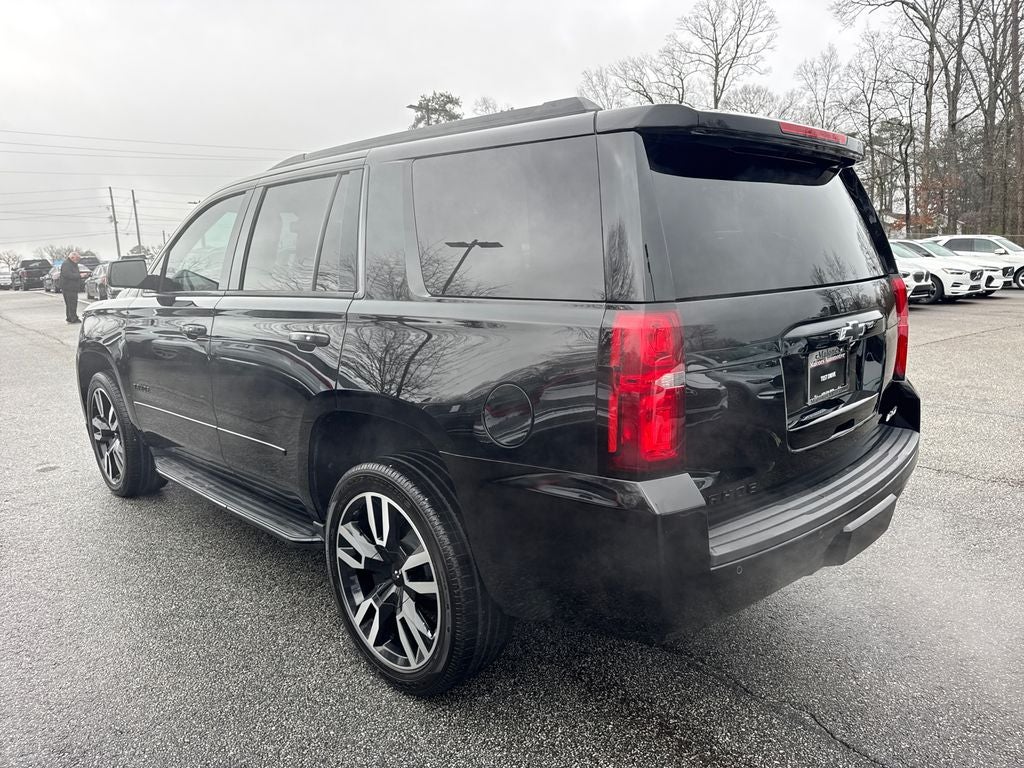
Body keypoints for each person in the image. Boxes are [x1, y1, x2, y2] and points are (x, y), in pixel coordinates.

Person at [60, 251, 82, 323]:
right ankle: (73, 318)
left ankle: (70, 317)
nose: (78, 260)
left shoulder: (72, 264)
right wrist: (79, 276)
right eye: (77, 258)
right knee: (71, 303)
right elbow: (68, 275)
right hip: (69, 287)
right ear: (72, 257)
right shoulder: (67, 264)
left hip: (71, 287)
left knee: (70, 304)